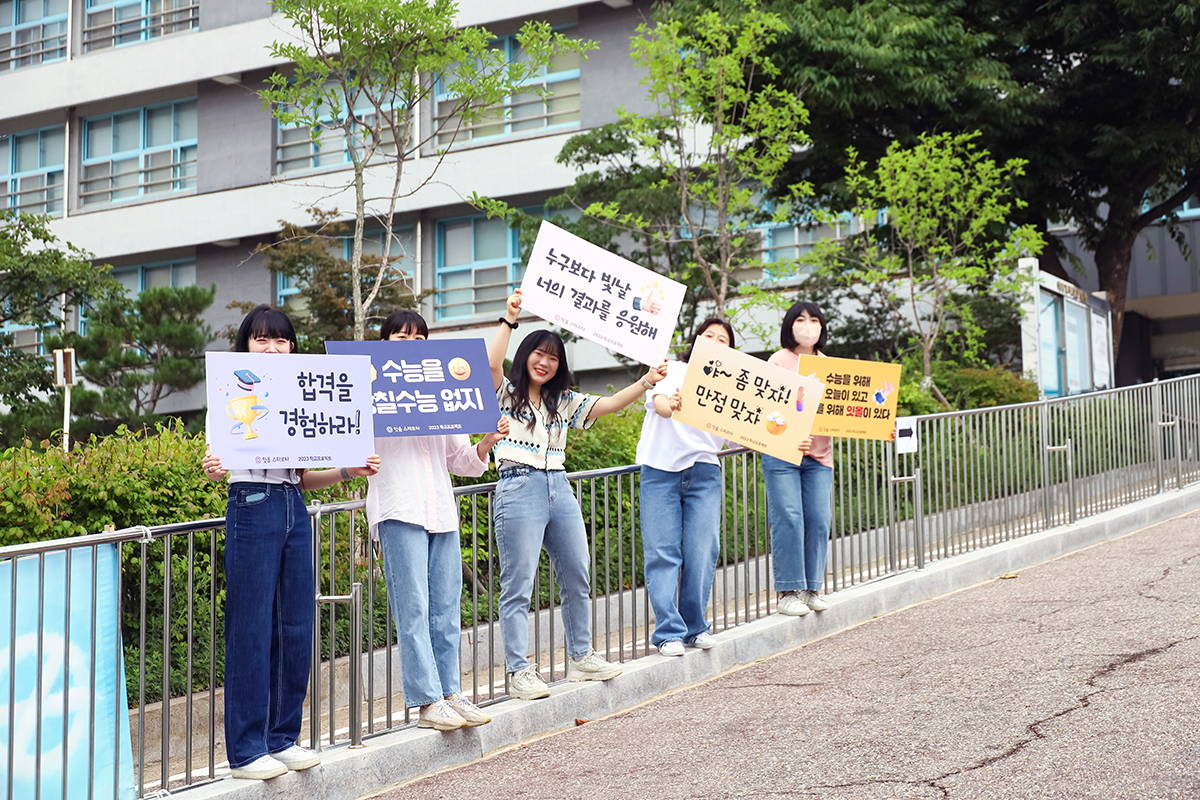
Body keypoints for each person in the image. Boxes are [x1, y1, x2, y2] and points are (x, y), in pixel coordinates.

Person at [201, 304, 381, 781]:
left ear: (293, 347)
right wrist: (214, 467)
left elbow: (302, 477)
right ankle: (245, 750)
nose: (273, 348)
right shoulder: (228, 390)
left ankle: (282, 738)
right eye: (262, 340)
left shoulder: (302, 397)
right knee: (251, 628)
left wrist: (350, 470)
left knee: (297, 627)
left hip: (292, 507)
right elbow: (218, 459)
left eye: (281, 340)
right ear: (245, 347)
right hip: (252, 502)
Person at [488, 289, 667, 699]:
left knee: (577, 572)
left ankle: (582, 656)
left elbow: (609, 404)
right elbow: (493, 362)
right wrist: (509, 319)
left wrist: (645, 380)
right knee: (518, 584)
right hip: (517, 485)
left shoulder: (563, 401)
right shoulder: (504, 394)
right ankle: (519, 672)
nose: (545, 362)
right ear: (526, 355)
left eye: (553, 358)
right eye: (539, 354)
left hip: (559, 486)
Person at [365, 310, 510, 731]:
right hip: (398, 508)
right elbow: (354, 448)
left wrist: (486, 442)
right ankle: (427, 701)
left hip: (440, 512)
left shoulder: (443, 389)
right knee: (413, 608)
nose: (409, 343)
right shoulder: (371, 388)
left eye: (417, 337)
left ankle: (450, 691)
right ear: (384, 343)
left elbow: (461, 462)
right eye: (399, 337)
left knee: (446, 608)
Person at [636, 318, 735, 656]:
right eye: (708, 336)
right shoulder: (675, 370)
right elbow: (660, 404)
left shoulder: (734, 384)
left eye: (723, 339)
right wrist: (672, 405)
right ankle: (668, 633)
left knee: (702, 550)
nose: (715, 342)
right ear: (696, 341)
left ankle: (695, 627)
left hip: (705, 470)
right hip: (660, 469)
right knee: (663, 553)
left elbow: (753, 430)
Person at [762, 301, 835, 617]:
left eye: (815, 319)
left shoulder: (830, 365)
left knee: (819, 518)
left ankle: (812, 587)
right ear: (789, 325)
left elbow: (839, 414)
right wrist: (792, 435)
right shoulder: (778, 362)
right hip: (781, 453)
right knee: (789, 517)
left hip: (819, 455)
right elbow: (766, 411)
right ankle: (788, 591)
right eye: (801, 319)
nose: (808, 325)